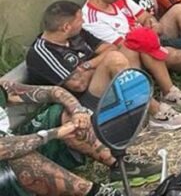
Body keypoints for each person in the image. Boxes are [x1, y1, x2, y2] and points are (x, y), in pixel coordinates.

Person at [26, 0, 181, 133]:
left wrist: (90, 64)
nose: (83, 22)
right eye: (80, 19)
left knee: (135, 42)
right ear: (66, 27)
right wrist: (103, 65)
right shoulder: (42, 52)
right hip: (82, 104)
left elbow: (111, 47)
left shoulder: (77, 34)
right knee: (114, 60)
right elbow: (78, 84)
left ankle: (170, 93)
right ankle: (157, 114)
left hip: (101, 81)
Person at [0, 79, 140, 196]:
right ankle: (94, 192)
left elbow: (54, 92)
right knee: (20, 156)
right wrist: (56, 133)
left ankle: (121, 165)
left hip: (16, 144)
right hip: (7, 160)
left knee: (66, 115)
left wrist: (77, 112)